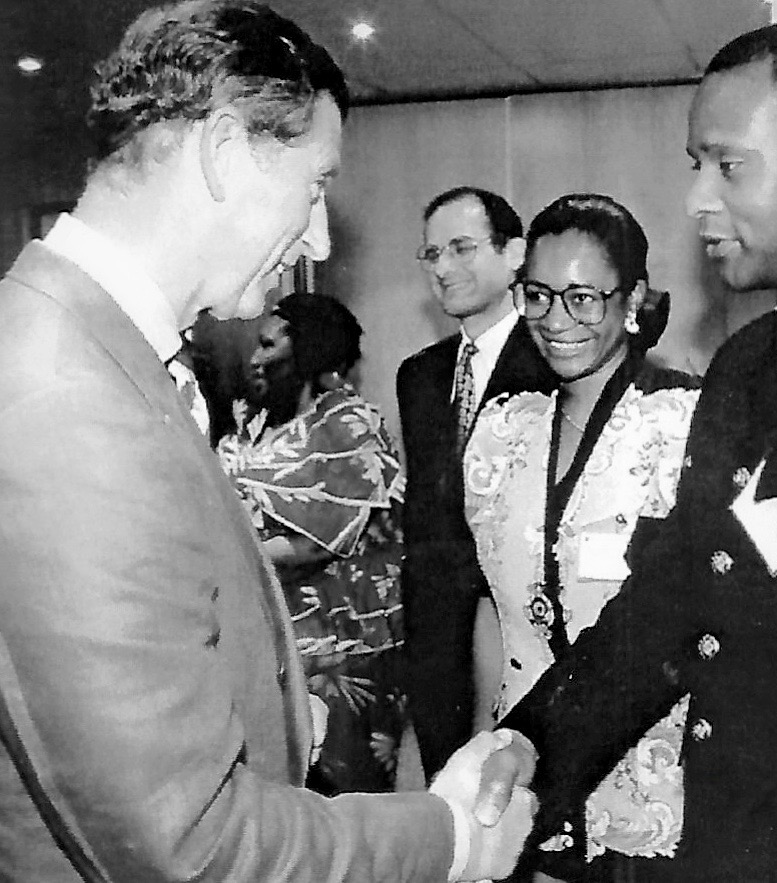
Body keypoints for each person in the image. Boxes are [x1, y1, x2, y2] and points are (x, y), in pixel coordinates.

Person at [0, 2, 536, 880]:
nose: (317, 235)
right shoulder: (66, 395)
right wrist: (453, 839)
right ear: (222, 151)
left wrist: (282, 722)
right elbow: (193, 846)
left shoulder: (100, 353)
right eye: (315, 185)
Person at [501, 20, 777, 881]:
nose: (695, 199)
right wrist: (529, 747)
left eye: (728, 165)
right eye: (695, 166)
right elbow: (678, 594)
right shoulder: (745, 363)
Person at [464, 194, 700, 882]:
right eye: (537, 296)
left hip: (645, 782)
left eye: (583, 299)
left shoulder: (683, 422)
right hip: (522, 774)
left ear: (633, 300)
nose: (556, 320)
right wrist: (485, 745)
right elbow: (493, 609)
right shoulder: (502, 430)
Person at [398, 186, 558, 781]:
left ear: (514, 254)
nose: (442, 268)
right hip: (437, 636)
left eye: (461, 248)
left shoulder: (554, 361)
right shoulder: (420, 376)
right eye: (431, 254)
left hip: (524, 630)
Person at [218, 292, 408, 793]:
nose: (254, 358)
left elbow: (317, 544)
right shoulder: (252, 425)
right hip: (264, 644)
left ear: (310, 354)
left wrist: (224, 556)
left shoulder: (349, 426)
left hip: (338, 655)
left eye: (268, 345)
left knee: (340, 806)